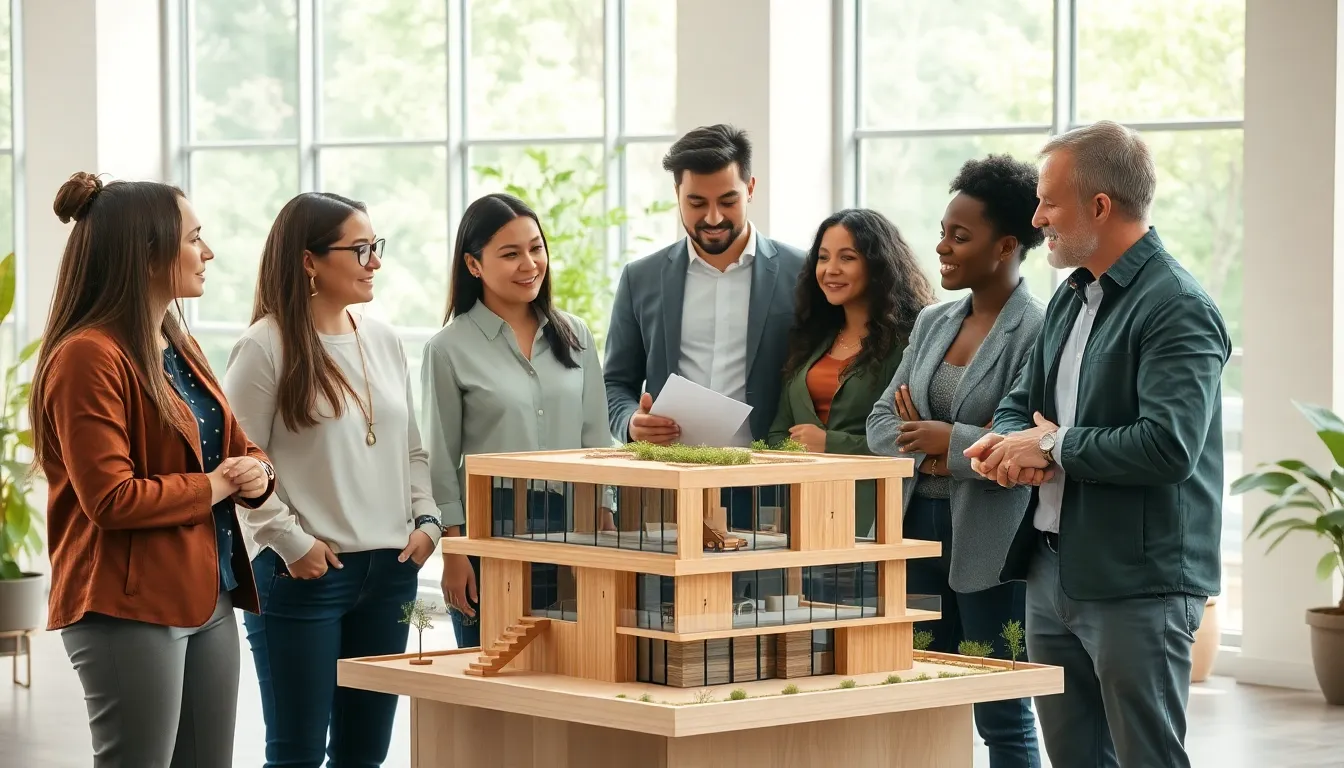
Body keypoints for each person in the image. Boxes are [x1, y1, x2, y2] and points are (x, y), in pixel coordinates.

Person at [964, 122, 1231, 768]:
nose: (1037, 217)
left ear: (1100, 206)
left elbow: (1168, 446)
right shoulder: (1070, 298)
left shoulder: (1177, 307)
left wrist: (1051, 449)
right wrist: (1007, 445)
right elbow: (1021, 399)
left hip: (1140, 584)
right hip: (1052, 571)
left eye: (1048, 201)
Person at [32, 172, 275, 767]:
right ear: (146, 254)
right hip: (127, 605)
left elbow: (238, 445)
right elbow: (111, 499)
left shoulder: (176, 341)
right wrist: (219, 484)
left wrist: (257, 475)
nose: (208, 252)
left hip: (209, 593)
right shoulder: (88, 356)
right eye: (194, 238)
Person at [222, 192, 441, 767]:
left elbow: (411, 448)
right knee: (296, 755)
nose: (375, 261)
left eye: (377, 246)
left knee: (365, 755)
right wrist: (293, 544)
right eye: (360, 248)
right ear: (309, 260)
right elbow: (240, 465)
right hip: (304, 575)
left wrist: (428, 521)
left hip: (392, 571)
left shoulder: (385, 338)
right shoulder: (264, 346)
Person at [867, 155, 1047, 767]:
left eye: (958, 235)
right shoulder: (932, 320)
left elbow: (1022, 442)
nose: (941, 246)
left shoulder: (1038, 330)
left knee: (1000, 708)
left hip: (993, 542)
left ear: (1005, 245)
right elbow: (879, 422)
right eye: (943, 230)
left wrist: (951, 442)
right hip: (915, 531)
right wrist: (939, 447)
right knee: (917, 696)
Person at [423, 193, 614, 649]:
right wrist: (456, 552)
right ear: (474, 265)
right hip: (493, 525)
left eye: (535, 248)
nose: (529, 263)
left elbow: (596, 436)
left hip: (578, 520)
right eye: (510, 254)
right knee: (495, 667)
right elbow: (441, 462)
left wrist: (606, 516)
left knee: (577, 664)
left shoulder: (577, 335)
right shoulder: (447, 349)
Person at [604, 124, 806, 531]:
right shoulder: (640, 278)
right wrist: (630, 422)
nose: (712, 217)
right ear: (677, 195)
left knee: (767, 596)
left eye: (728, 200)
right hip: (669, 485)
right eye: (696, 202)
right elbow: (615, 383)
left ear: (750, 188)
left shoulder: (801, 273)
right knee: (663, 596)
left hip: (771, 483)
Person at [768, 207, 934, 538]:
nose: (831, 270)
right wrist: (797, 449)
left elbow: (908, 441)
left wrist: (829, 443)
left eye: (847, 258)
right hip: (807, 511)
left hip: (877, 515)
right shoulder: (810, 340)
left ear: (877, 265)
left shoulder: (911, 342)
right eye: (823, 257)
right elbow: (778, 433)